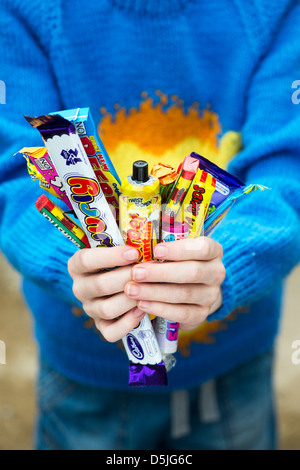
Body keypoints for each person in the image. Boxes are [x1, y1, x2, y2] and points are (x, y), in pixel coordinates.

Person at [0, 0, 299, 451]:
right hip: (85, 376)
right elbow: (16, 171)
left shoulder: (273, 10)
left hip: (235, 362)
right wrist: (75, 262)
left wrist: (229, 261)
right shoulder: (27, 11)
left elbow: (287, 169)